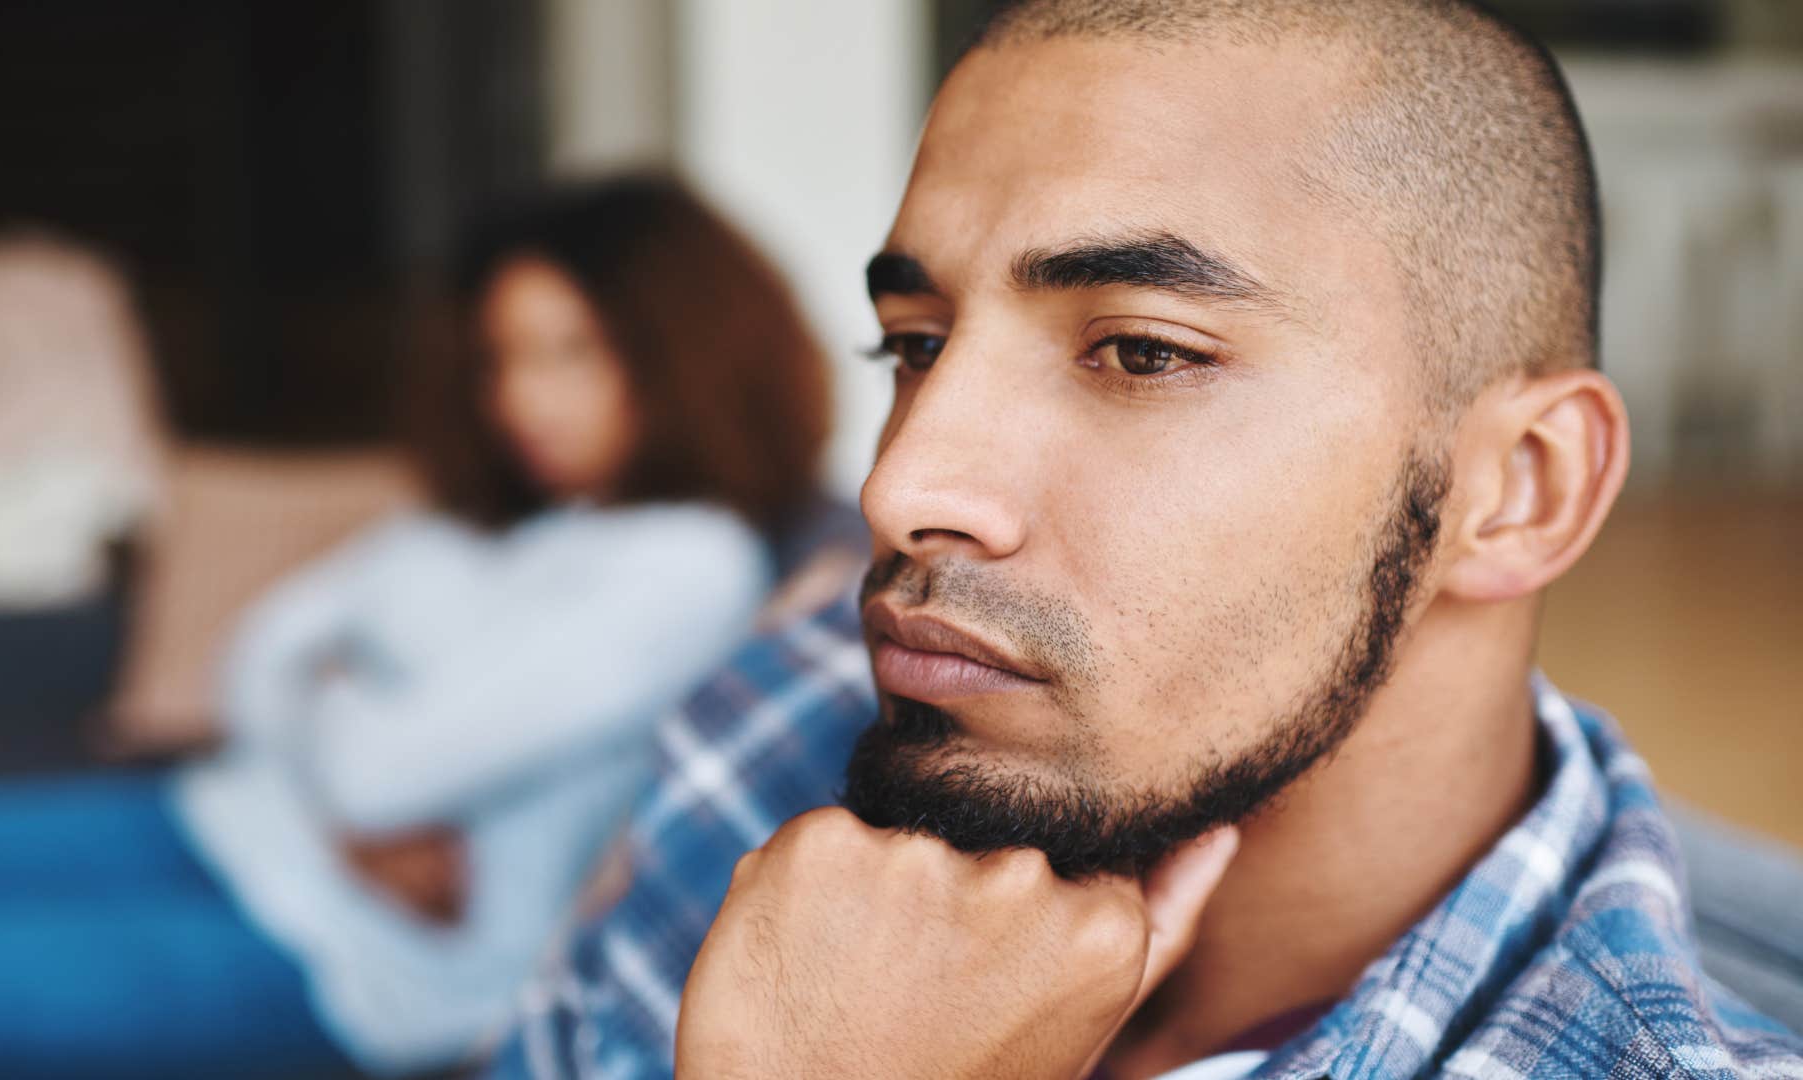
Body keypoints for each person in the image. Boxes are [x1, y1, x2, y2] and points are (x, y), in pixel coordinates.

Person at [496, 4, 1803, 1079]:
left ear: (1522, 488)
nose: (900, 488)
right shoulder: (775, 708)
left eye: (1141, 354)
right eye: (915, 344)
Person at [0, 175, 833, 1078]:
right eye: (500, 357)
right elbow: (251, 660)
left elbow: (368, 776)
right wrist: (350, 744)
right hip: (220, 822)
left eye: (570, 351)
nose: (520, 399)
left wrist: (337, 702)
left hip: (351, 959)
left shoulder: (688, 565)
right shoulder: (486, 520)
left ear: (684, 351)